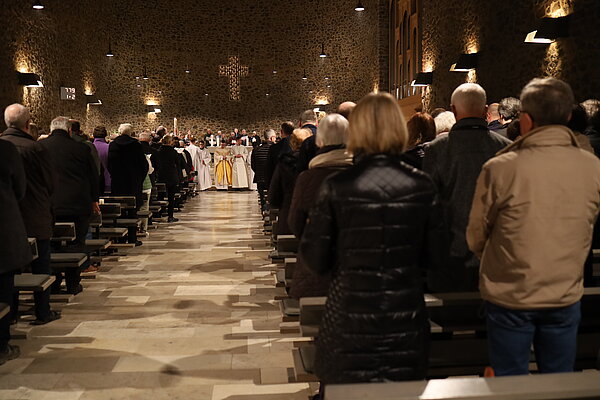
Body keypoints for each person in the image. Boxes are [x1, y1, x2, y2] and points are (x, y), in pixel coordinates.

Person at [297, 92, 445, 385]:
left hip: (349, 315)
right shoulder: (421, 185)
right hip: (405, 318)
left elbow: (315, 259)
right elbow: (438, 256)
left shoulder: (337, 186)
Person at [467, 77, 600, 376]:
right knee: (558, 380)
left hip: (510, 293)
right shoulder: (591, 166)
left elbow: (476, 233)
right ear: (567, 116)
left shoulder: (502, 167)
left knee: (510, 383)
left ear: (525, 120)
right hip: (564, 290)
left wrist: (498, 259)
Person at [423, 83, 511, 292]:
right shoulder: (504, 147)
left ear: (453, 110)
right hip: (494, 251)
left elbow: (429, 205)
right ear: (485, 110)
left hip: (450, 253)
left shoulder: (437, 150)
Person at [1, 104, 60, 325]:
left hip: (8, 221)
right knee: (41, 265)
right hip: (35, 213)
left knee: (9, 269)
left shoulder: (5, 145)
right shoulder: (35, 148)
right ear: (28, 124)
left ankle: (11, 313)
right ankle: (42, 311)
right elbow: (50, 181)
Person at [288, 114, 353, 300]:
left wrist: (313, 241)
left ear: (320, 141)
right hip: (355, 266)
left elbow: (295, 222)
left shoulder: (307, 178)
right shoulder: (361, 173)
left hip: (316, 264)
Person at [41, 116, 99, 295]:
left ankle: (55, 282)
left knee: (52, 244)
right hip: (78, 203)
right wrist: (94, 200)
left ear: (51, 130)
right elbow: (93, 176)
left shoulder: (40, 148)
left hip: (49, 204)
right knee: (77, 243)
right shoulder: (81, 148)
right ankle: (73, 283)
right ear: (69, 130)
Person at [0, 139, 31, 365]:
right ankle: (2, 343)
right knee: (3, 285)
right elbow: (20, 189)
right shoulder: (5, 150)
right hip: (2, 230)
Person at [268, 128, 311, 236]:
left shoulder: (285, 163)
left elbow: (273, 197)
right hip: (312, 224)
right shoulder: (315, 162)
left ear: (292, 143)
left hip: (288, 219)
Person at [107, 124, 149, 210]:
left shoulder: (113, 145)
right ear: (130, 132)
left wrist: (113, 175)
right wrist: (140, 178)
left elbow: (110, 164)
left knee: (119, 208)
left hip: (118, 181)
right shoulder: (136, 145)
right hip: (134, 180)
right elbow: (144, 164)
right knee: (133, 210)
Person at [156, 135, 180, 222]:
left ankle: (159, 213)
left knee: (160, 196)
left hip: (161, 176)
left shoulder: (158, 151)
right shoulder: (173, 152)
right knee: (171, 197)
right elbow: (178, 163)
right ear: (170, 142)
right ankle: (170, 216)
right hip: (171, 177)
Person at [251, 129, 277, 211]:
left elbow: (253, 166)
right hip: (272, 179)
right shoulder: (276, 148)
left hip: (260, 178)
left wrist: (259, 172)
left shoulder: (256, 149)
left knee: (263, 199)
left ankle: (264, 212)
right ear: (272, 138)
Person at [265, 121, 294, 187]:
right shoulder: (298, 145)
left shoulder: (274, 148)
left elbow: (269, 168)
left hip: (279, 181)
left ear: (281, 132)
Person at [92, 126, 111, 194]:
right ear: (105, 134)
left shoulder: (89, 147)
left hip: (93, 182)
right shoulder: (109, 147)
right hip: (108, 181)